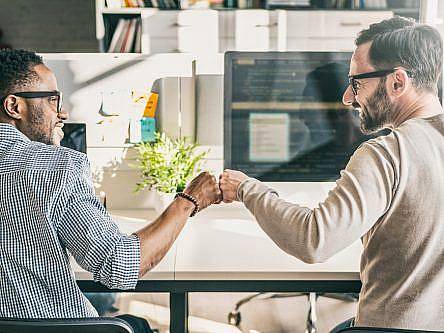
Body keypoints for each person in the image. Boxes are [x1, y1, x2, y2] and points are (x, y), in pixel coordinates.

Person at [219, 16, 444, 331]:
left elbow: (315, 240)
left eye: (357, 83)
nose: (348, 98)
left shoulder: (385, 155)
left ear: (397, 82)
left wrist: (245, 188)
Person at [0, 49, 222, 333]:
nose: (61, 113)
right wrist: (189, 200)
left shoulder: (51, 163)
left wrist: (45, 150)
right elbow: (121, 267)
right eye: (52, 100)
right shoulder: (59, 167)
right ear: (14, 106)